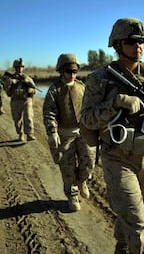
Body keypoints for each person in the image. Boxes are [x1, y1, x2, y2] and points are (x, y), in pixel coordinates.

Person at [81, 17, 144, 254]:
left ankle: (121, 248)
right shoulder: (99, 78)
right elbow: (87, 119)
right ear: (117, 44)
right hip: (117, 159)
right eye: (133, 42)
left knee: (140, 212)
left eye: (142, 42)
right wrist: (115, 103)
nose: (139, 47)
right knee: (138, 224)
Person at [43, 54, 96, 212]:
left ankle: (82, 181)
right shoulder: (54, 90)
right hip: (64, 135)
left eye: (75, 71)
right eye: (68, 71)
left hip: (84, 133)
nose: (72, 74)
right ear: (61, 70)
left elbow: (90, 108)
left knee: (89, 163)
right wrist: (52, 132)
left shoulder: (82, 87)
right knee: (67, 169)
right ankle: (72, 195)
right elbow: (49, 113)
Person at [3, 58, 36, 142]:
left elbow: (34, 89)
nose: (20, 69)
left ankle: (29, 134)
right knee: (17, 119)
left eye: (21, 67)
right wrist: (9, 83)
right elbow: (7, 91)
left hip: (26, 100)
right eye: (18, 67)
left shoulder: (27, 78)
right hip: (15, 100)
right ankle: (20, 134)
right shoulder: (10, 78)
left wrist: (29, 87)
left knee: (28, 116)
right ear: (15, 68)